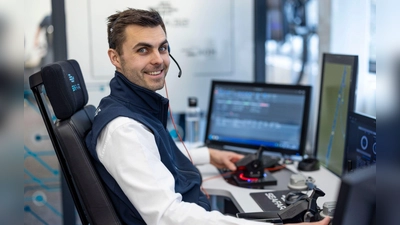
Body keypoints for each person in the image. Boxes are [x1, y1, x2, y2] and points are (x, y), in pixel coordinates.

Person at [85, 8, 330, 225]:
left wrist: (210, 155)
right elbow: (167, 217)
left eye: (163, 47)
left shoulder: (131, 108)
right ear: (115, 58)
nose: (158, 59)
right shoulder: (124, 129)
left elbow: (155, 155)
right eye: (143, 50)